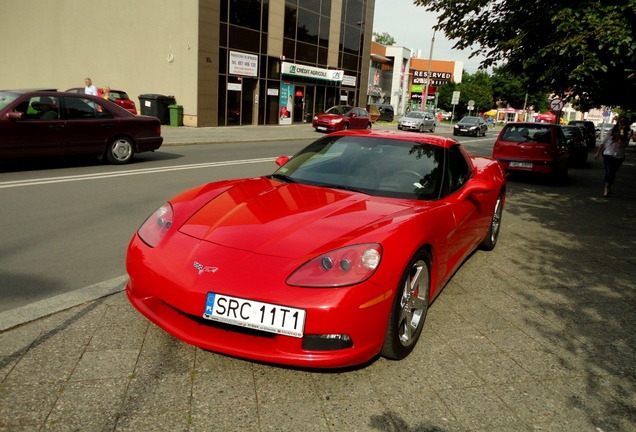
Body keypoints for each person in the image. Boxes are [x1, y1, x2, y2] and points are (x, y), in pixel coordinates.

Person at [595, 116, 630, 197]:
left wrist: (620, 135)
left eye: (624, 123)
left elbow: (625, 145)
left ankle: (609, 186)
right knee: (609, 171)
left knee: (613, 173)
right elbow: (603, 142)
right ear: (618, 122)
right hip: (608, 154)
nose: (622, 124)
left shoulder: (627, 133)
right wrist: (598, 153)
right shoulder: (611, 131)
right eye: (621, 122)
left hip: (619, 156)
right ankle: (606, 189)